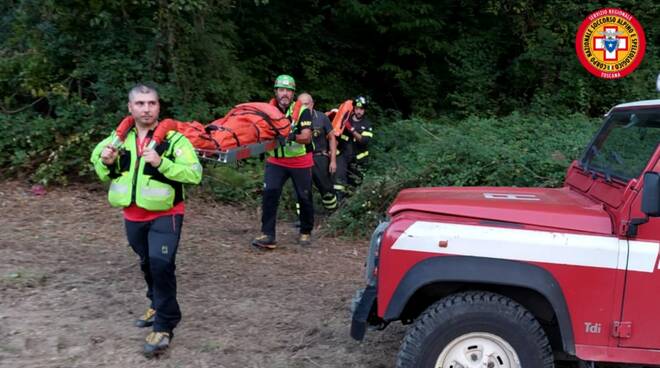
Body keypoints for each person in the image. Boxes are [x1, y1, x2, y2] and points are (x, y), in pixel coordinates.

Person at [90, 84, 202, 357]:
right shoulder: (118, 139)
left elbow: (194, 174)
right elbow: (99, 164)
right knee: (147, 263)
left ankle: (165, 325)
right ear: (130, 107)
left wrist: (161, 163)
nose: (146, 108)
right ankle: (156, 303)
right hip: (133, 216)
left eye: (151, 103)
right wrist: (104, 161)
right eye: (140, 103)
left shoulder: (174, 141)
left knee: (162, 265)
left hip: (167, 214)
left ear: (158, 107)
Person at [251, 75, 314, 249]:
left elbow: (307, 137)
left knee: (304, 196)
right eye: (281, 90)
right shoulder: (267, 111)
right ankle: (268, 235)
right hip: (276, 160)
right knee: (270, 193)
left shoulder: (302, 111)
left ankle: (306, 231)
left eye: (288, 90)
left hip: (299, 160)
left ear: (293, 93)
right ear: (276, 92)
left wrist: (290, 135)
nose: (284, 94)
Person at [297, 92, 338, 211]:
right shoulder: (295, 120)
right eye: (301, 105)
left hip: (320, 158)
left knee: (326, 189)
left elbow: (332, 138)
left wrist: (333, 161)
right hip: (302, 158)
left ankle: (333, 213)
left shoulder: (322, 117)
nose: (304, 107)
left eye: (306, 104)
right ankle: (304, 219)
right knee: (302, 190)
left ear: (312, 104)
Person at [334, 95, 373, 200]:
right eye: (357, 108)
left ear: (364, 110)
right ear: (354, 108)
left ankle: (351, 206)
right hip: (342, 155)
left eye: (361, 109)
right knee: (339, 180)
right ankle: (337, 204)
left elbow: (364, 140)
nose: (359, 111)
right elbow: (336, 134)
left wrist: (351, 129)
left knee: (355, 183)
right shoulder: (346, 119)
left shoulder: (367, 124)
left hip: (358, 159)